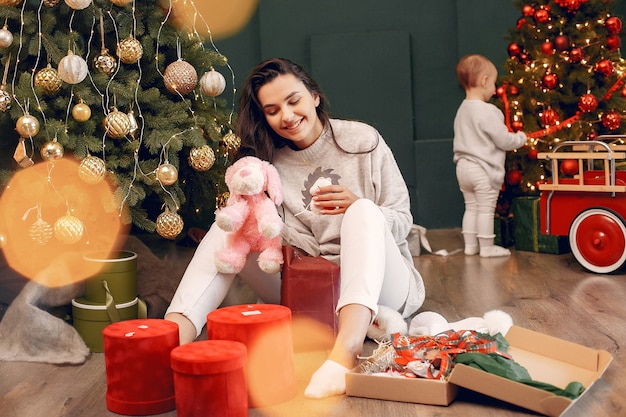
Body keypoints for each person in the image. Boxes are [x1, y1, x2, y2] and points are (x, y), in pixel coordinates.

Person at [165, 57, 425, 399]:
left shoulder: (363, 140)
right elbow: (270, 236)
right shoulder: (265, 162)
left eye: (293, 101)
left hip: (381, 288)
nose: (286, 116)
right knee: (230, 228)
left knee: (363, 210)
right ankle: (170, 338)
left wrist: (361, 206)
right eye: (272, 110)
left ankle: (345, 352)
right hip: (310, 288)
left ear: (314, 96)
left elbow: (403, 219)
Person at [453, 54, 527, 258]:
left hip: (463, 168)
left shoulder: (462, 110)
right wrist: (521, 138)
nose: (495, 89)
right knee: (486, 209)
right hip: (483, 170)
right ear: (484, 81)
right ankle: (486, 247)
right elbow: (503, 140)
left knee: (471, 208)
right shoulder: (488, 111)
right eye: (494, 83)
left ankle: (470, 246)